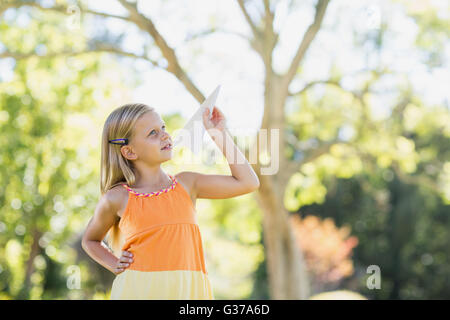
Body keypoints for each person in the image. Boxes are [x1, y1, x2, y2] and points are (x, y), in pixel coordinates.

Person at [81, 103, 260, 299]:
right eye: (152, 133)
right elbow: (90, 240)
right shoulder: (117, 197)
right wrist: (114, 263)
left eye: (163, 128)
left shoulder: (188, 183)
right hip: (140, 291)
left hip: (189, 292)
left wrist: (219, 133)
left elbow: (248, 182)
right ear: (130, 152)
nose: (165, 135)